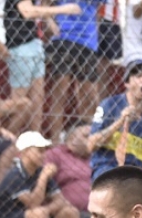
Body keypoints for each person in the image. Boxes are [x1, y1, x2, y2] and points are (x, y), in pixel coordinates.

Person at [0, 130, 82, 218]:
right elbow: (33, 203)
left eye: (44, 150)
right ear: (26, 151)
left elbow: (61, 201)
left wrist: (46, 210)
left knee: (71, 212)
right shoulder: (14, 175)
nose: (43, 155)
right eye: (39, 151)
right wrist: (43, 178)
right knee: (39, 214)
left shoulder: (39, 171)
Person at [2, 0, 82, 134]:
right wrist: (63, 9)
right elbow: (28, 11)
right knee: (19, 102)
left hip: (35, 44)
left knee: (37, 101)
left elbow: (37, 9)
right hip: (21, 47)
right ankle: (6, 140)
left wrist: (49, 19)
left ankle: (35, 141)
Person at [43, 0, 102, 142]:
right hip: (64, 38)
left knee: (90, 95)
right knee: (60, 92)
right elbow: (43, 5)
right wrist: (50, 23)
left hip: (88, 42)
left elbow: (99, 11)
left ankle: (89, 139)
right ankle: (56, 143)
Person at [88, 61, 142, 182]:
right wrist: (120, 122)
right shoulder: (109, 105)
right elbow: (91, 145)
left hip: (138, 172)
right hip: (108, 167)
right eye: (139, 76)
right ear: (127, 83)